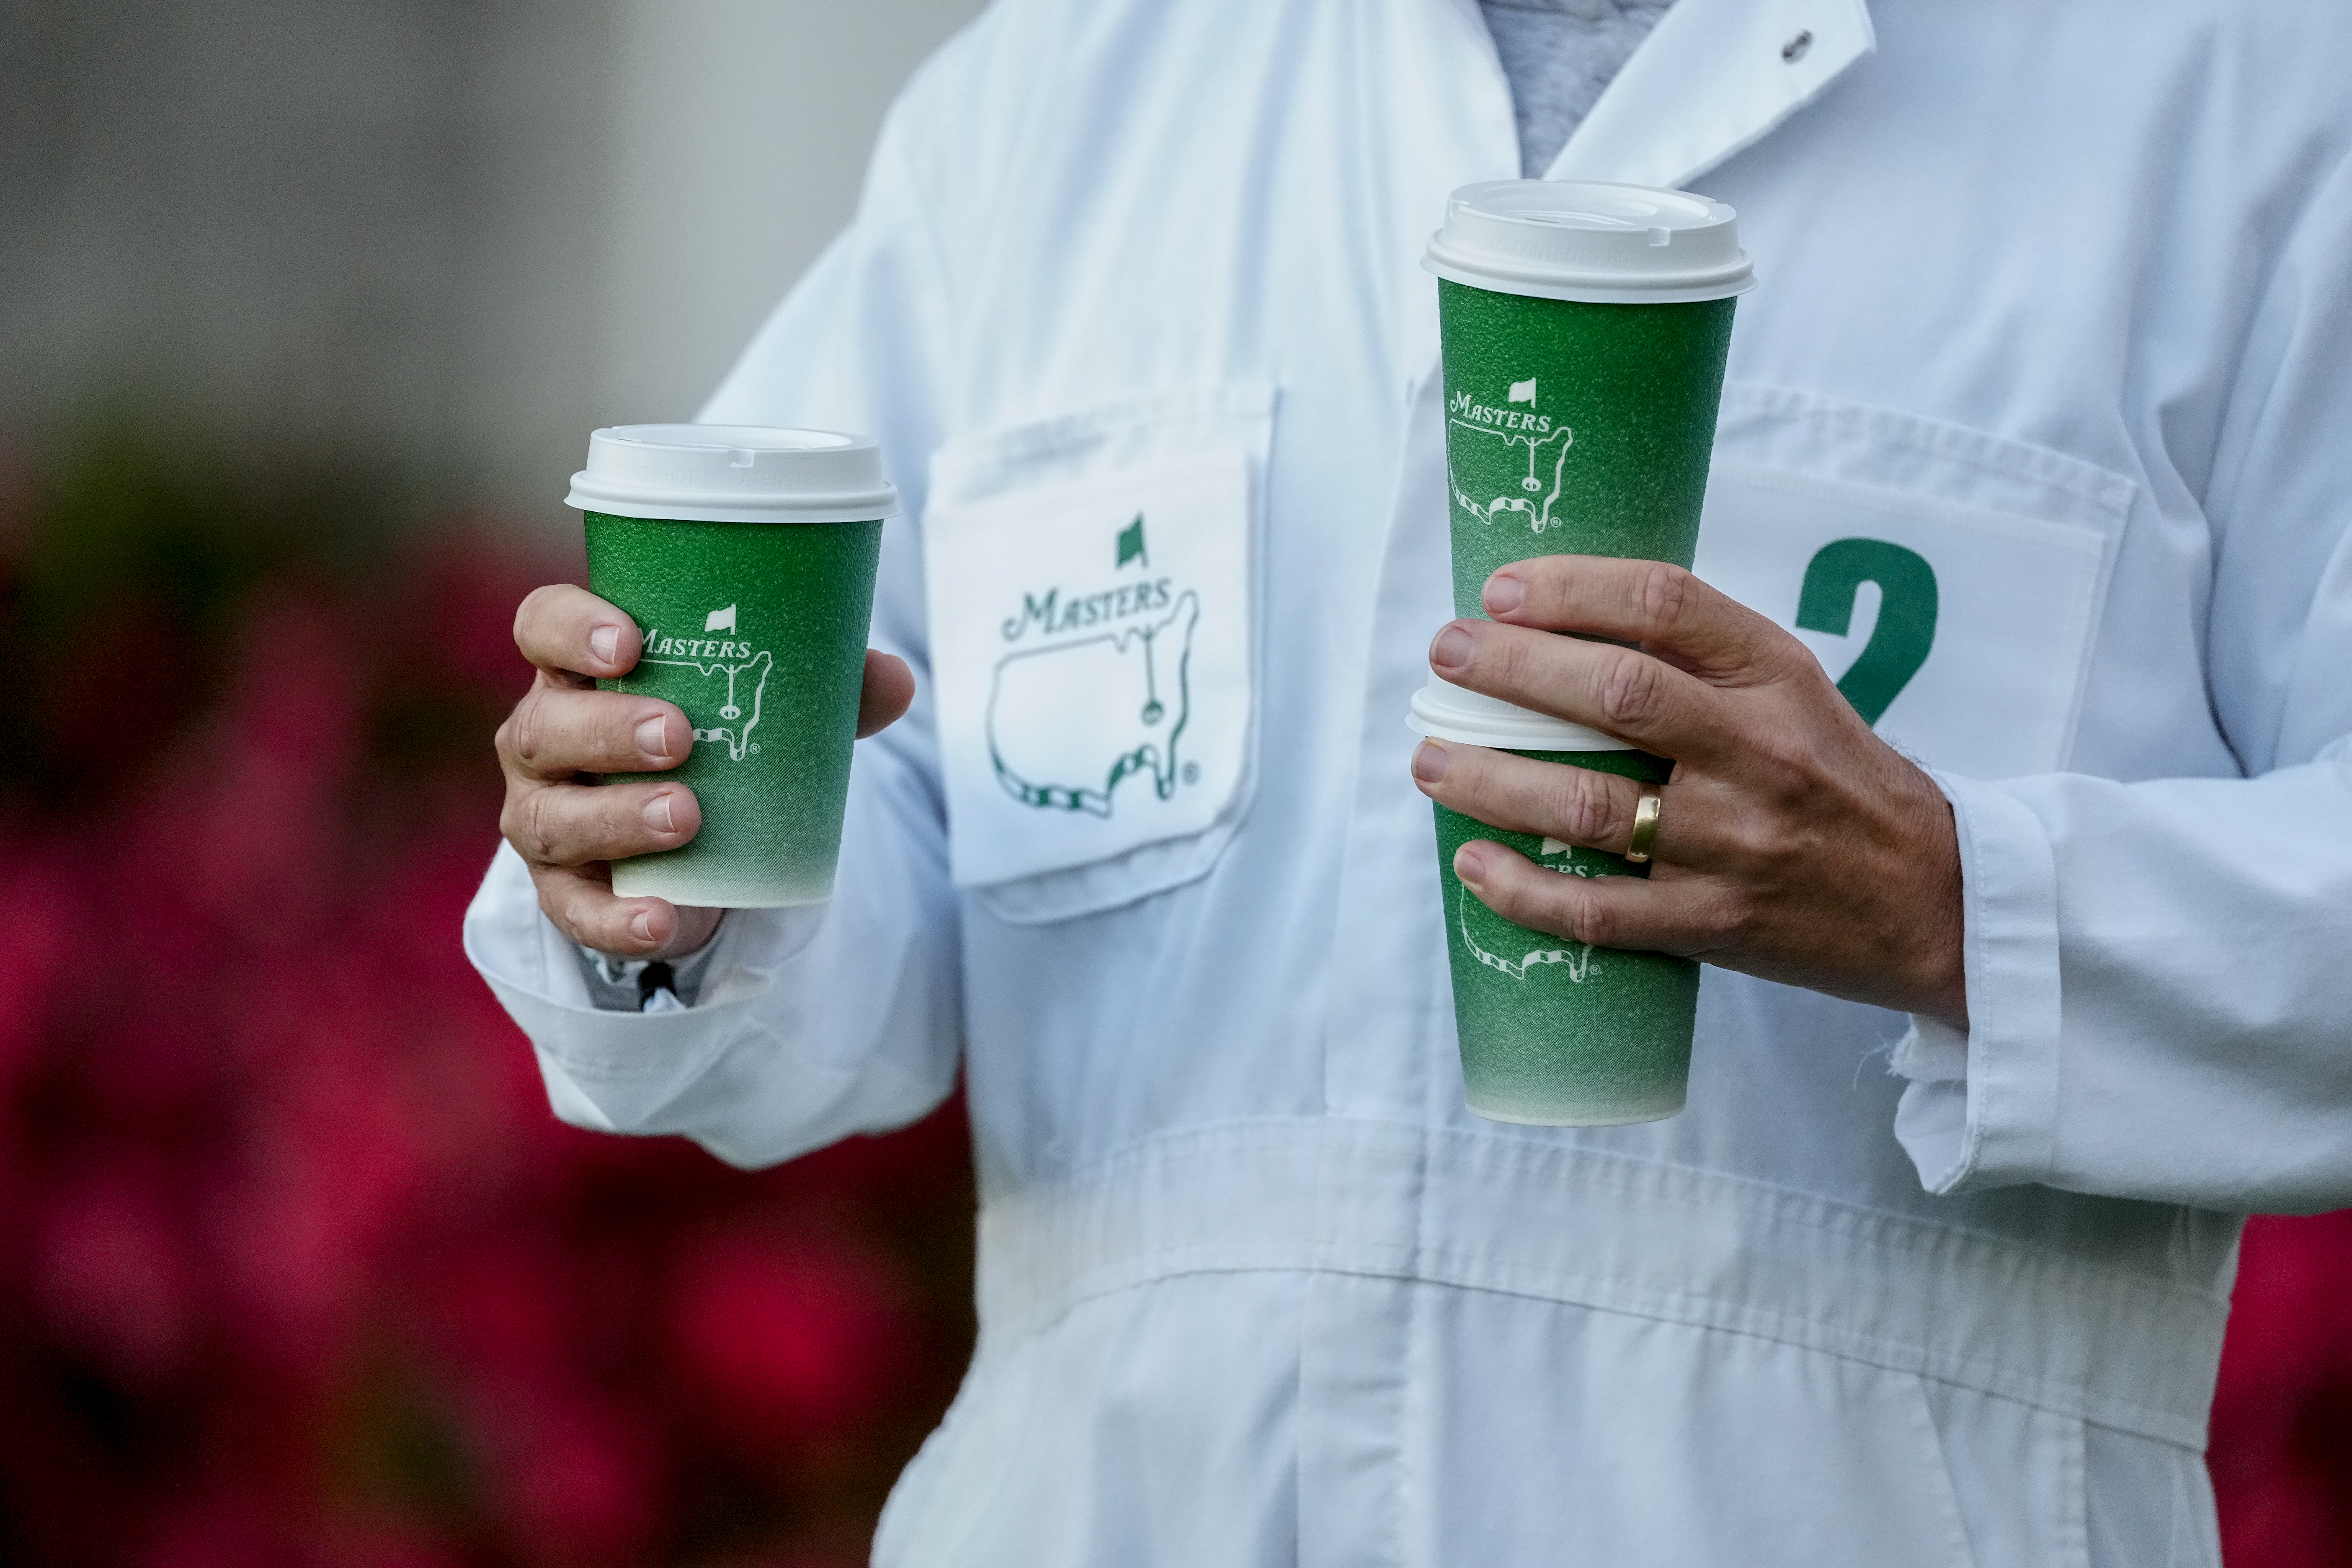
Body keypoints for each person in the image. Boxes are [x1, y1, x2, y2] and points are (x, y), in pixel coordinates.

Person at [466, 0, 2352, 1561]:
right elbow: (851, 874)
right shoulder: (1054, 99)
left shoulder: (2240, 93)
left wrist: (1962, 904)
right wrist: (663, 873)